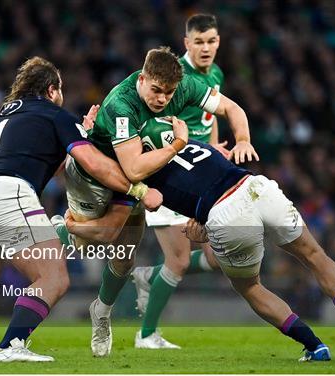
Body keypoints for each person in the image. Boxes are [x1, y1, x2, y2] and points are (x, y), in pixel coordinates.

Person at [65, 120, 335, 362]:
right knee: (314, 254)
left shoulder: (135, 172)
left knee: (251, 287)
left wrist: (75, 224)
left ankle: (314, 346)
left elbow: (125, 211)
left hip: (226, 213)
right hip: (257, 187)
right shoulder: (188, 142)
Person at [0, 56, 162, 363]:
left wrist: (84, 134)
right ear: (52, 90)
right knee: (54, 278)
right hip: (7, 194)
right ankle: (11, 345)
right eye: (60, 89)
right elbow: (90, 163)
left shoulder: (2, 116)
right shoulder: (55, 115)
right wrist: (139, 189)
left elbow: (41, 160)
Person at [63, 46, 258, 357]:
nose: (162, 99)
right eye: (155, 90)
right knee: (96, 236)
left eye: (168, 93)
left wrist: (243, 138)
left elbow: (232, 109)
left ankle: (100, 312)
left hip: (134, 181)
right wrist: (179, 143)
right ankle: (59, 228)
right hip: (96, 177)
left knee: (124, 256)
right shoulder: (121, 103)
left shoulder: (185, 86)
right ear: (142, 79)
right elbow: (132, 168)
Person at [132, 13, 230, 349]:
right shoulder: (174, 77)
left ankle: (151, 276)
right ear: (186, 43)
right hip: (171, 172)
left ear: (218, 42)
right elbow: (154, 117)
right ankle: (146, 335)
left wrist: (215, 145)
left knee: (219, 257)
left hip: (202, 171)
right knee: (179, 260)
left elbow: (211, 117)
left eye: (212, 41)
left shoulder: (215, 74)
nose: (206, 48)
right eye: (199, 42)